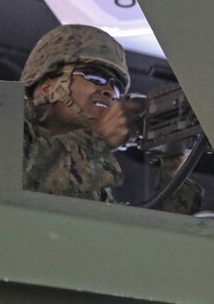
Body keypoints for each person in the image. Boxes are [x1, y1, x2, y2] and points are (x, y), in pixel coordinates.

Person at [20, 24, 202, 213]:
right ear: (47, 88)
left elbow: (153, 238)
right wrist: (99, 138)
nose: (109, 91)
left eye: (115, 87)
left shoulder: (91, 176)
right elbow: (9, 183)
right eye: (95, 77)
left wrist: (174, 169)